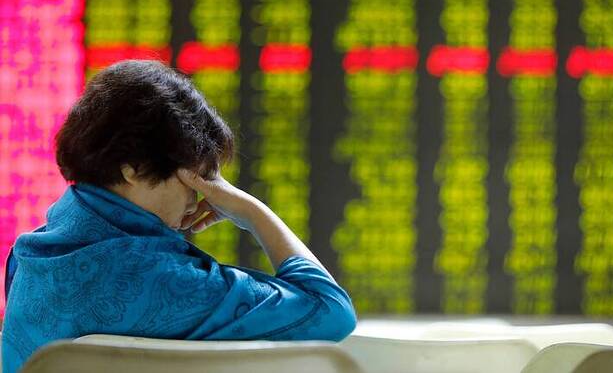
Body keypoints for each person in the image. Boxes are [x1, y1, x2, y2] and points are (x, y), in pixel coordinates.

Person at [1, 60, 356, 373]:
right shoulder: (171, 282)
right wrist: (253, 212)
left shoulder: (25, 262)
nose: (198, 197)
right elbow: (330, 309)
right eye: (194, 179)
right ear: (134, 168)